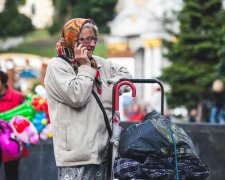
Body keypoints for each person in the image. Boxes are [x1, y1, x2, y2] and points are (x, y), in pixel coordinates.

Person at [44, 18, 132, 180]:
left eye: (94, 39)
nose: (91, 44)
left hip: (103, 153)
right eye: (85, 39)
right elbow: (77, 96)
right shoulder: (57, 66)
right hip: (76, 157)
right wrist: (84, 67)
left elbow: (125, 74)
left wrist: (110, 85)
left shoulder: (99, 63)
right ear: (72, 39)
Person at [0, 69, 29, 180]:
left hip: (12, 143)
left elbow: (25, 119)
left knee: (11, 175)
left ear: (2, 81)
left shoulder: (17, 97)